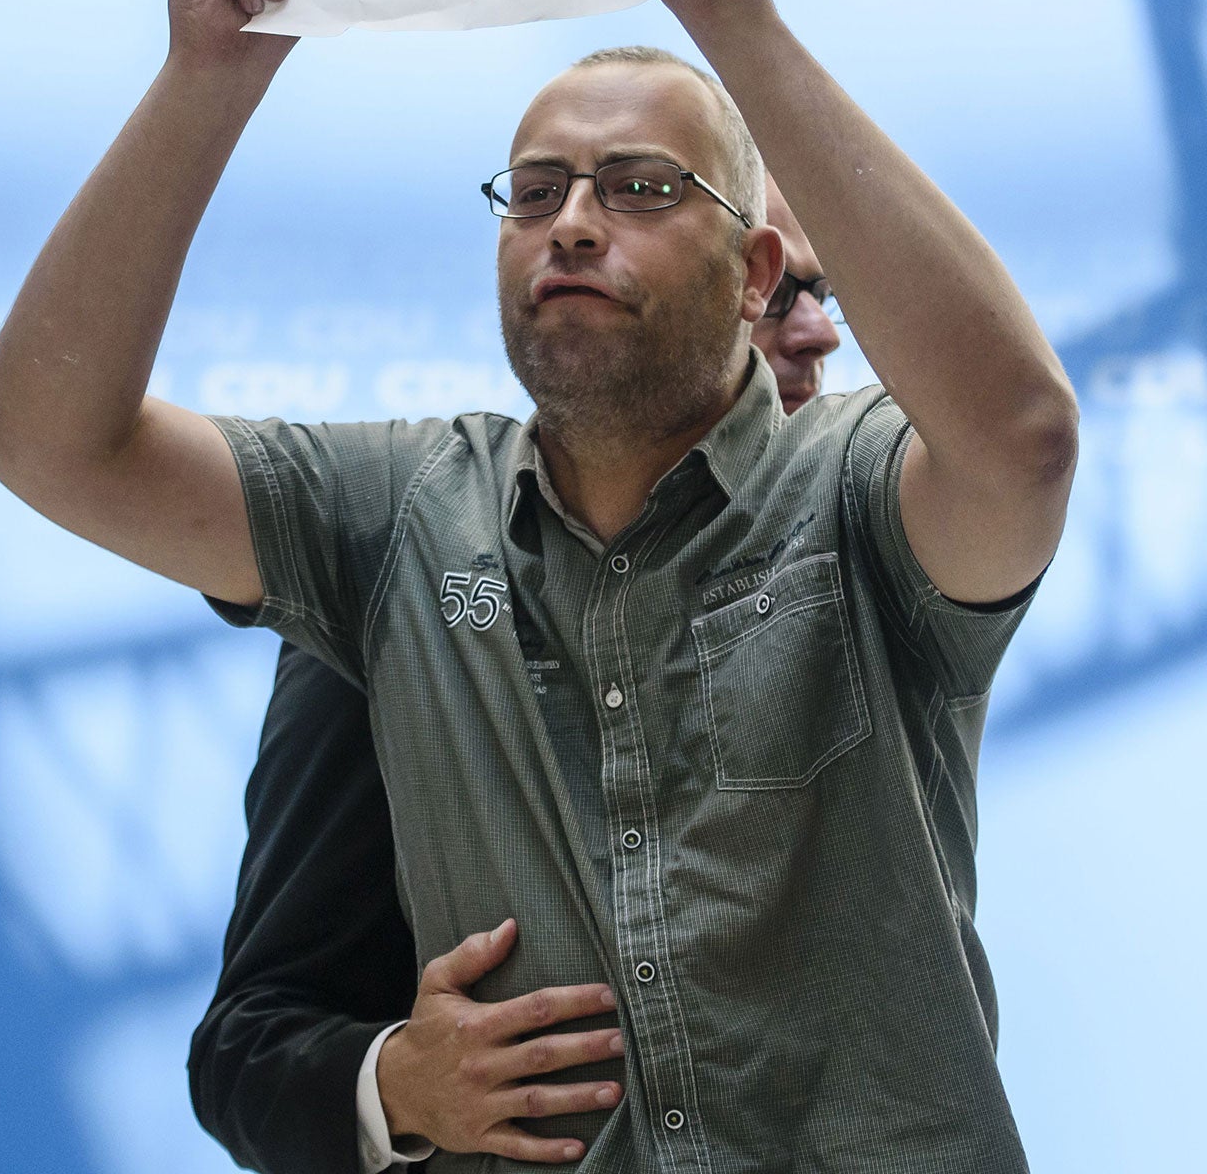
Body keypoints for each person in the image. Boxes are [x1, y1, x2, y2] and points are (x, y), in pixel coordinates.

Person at [0, 0, 1075, 1171]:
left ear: (754, 274)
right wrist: (210, 77)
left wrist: (739, 20)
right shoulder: (392, 513)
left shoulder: (859, 492)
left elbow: (1023, 438)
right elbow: (42, 440)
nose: (572, 224)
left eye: (640, 187)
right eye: (536, 191)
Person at [189, 175, 843, 1174]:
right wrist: (397, 1085)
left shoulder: (868, 572)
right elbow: (246, 1049)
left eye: (818, 293)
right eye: (775, 292)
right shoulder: (406, 583)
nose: (818, 335)